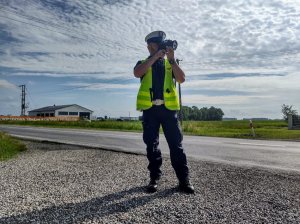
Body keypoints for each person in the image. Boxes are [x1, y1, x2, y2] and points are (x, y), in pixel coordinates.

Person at [133, 31, 194, 194]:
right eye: (156, 45)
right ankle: (154, 179)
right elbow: (137, 73)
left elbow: (181, 79)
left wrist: (172, 59)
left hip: (168, 111)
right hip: (150, 110)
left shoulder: (170, 63)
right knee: (152, 147)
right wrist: (155, 57)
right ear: (149, 46)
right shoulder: (143, 62)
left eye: (161, 45)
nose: (159, 47)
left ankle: (184, 180)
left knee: (176, 146)